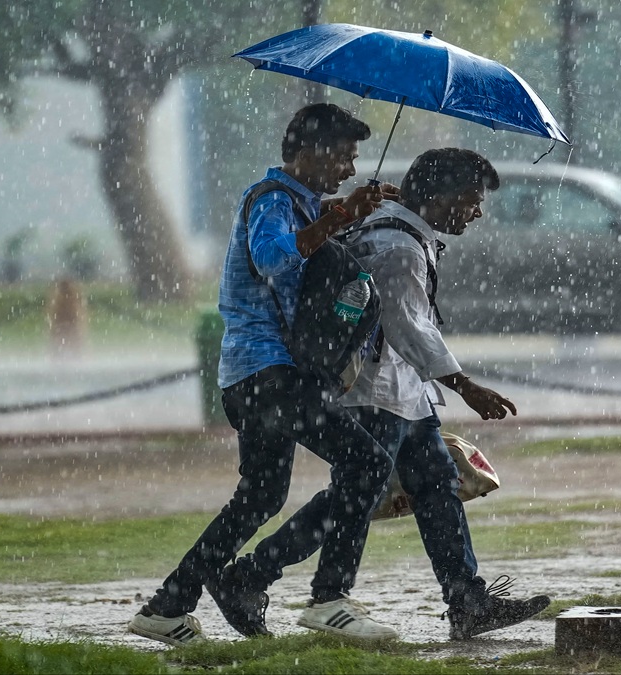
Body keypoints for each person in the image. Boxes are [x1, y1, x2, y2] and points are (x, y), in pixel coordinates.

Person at [127, 103, 399, 646]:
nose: (348, 169)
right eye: (343, 157)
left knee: (261, 496)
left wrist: (343, 215)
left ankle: (170, 605)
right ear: (310, 152)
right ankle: (329, 598)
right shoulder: (271, 201)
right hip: (269, 375)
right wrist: (336, 219)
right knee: (367, 462)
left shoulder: (301, 204)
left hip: (254, 379)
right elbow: (273, 258)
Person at [340, 147, 551, 640]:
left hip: (402, 391)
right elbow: (406, 326)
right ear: (436, 197)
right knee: (352, 499)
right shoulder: (398, 246)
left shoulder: (405, 234)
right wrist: (465, 386)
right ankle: (259, 574)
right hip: (378, 391)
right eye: (470, 199)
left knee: (437, 484)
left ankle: (467, 599)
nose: (477, 211)